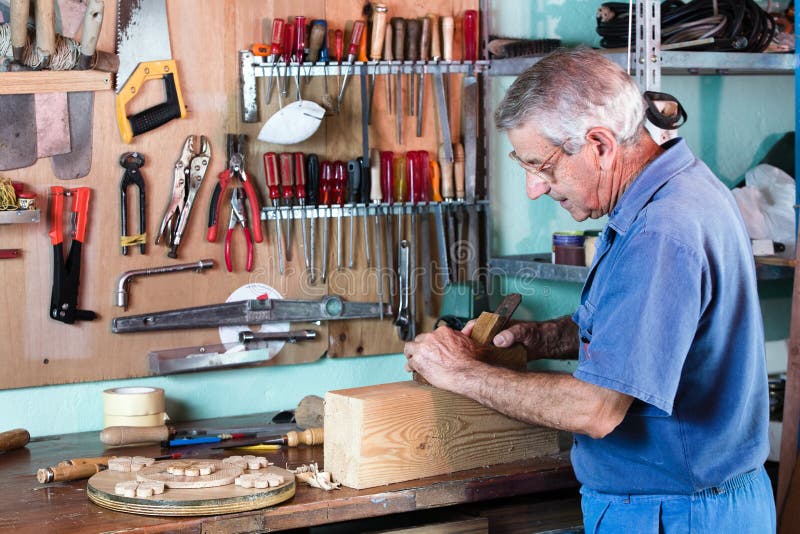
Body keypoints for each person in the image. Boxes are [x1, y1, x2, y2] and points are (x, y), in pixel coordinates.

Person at [403, 47, 775, 533]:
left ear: (599, 144)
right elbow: (641, 331)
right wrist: (539, 339)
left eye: (542, 165)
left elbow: (596, 409)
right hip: (693, 503)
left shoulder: (660, 232)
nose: (535, 188)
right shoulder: (676, 191)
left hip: (677, 513)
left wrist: (461, 372)